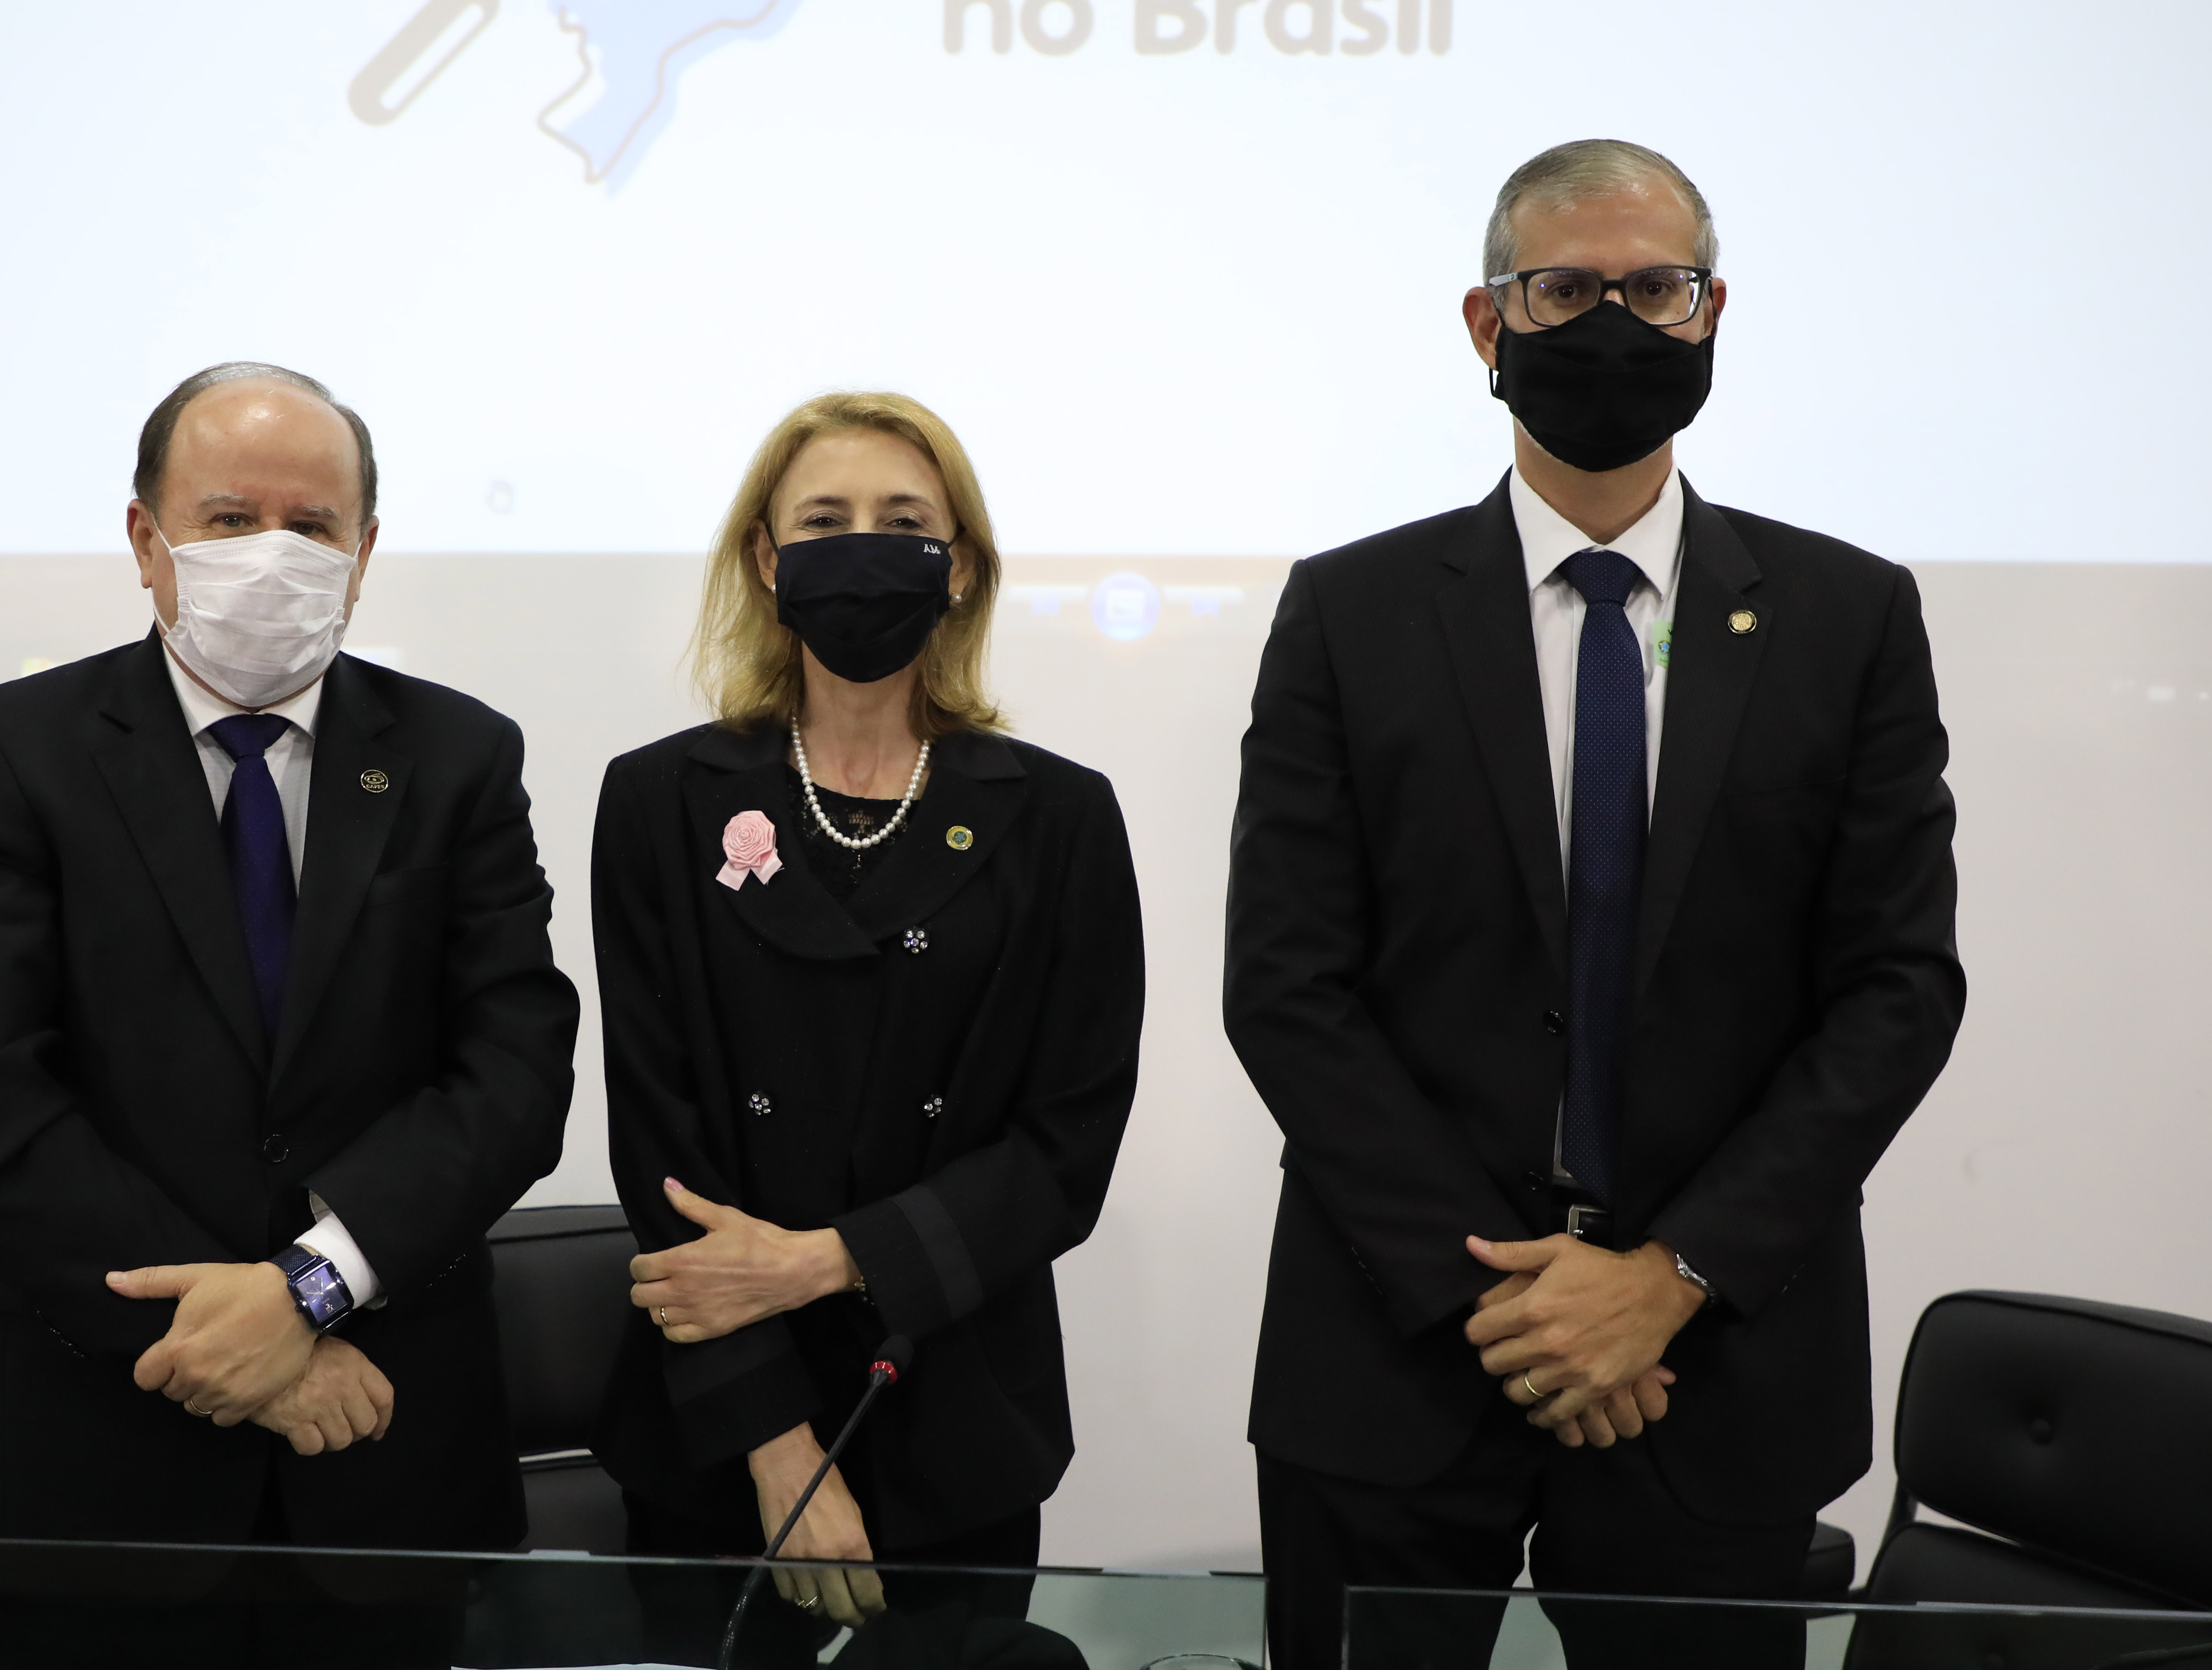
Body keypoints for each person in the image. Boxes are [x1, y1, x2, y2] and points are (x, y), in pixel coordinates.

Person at [1224, 141, 1964, 1669]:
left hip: (1716, 1364)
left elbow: (1895, 990)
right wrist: (1514, 1304)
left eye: (1655, 289)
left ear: (1710, 313)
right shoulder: (1349, 612)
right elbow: (1288, 986)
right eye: (1563, 292)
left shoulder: (1848, 617)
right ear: (1486, 324)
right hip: (1397, 1350)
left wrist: (1667, 1279)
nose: (1613, 324)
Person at [0, 362, 581, 1651]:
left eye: (312, 526)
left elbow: (514, 1071)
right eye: (228, 519)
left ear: (363, 554)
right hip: (98, 1477)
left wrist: (311, 1289)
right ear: (144, 540)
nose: (272, 552)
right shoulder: (15, 749)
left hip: (384, 1471)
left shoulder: (461, 755)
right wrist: (243, 1341)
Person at [590, 391, 1143, 1663]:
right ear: (765, 559)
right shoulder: (660, 800)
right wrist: (777, 1447)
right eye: (824, 521)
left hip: (960, 1430)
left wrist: (828, 1261)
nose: (864, 548)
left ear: (960, 568)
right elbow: (662, 1151)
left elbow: (1064, 1150)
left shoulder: (1059, 818)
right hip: (715, 1437)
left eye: (903, 523)